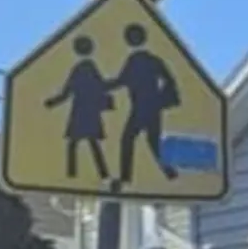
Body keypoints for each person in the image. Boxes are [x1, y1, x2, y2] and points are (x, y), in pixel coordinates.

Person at [37, 34, 117, 184]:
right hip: (87, 111)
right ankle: (94, 174)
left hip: (82, 111)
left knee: (78, 143)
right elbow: (98, 86)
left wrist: (52, 102)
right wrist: (52, 102)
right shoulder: (88, 67)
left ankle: (78, 174)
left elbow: (68, 91)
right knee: (85, 143)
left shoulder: (83, 68)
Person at [113, 22, 185, 180]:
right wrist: (162, 99)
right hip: (152, 108)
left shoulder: (136, 61)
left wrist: (101, 86)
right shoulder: (151, 60)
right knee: (152, 142)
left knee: (128, 139)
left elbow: (120, 81)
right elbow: (169, 78)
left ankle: (126, 177)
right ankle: (170, 173)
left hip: (141, 108)